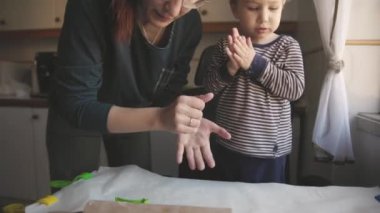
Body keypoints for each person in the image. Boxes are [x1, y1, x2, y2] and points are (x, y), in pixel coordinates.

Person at [46, 0, 231, 183]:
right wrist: (160, 118)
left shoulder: (189, 24)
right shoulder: (90, 6)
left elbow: (167, 91)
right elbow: (78, 105)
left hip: (135, 114)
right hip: (76, 115)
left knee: (134, 191)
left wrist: (185, 119)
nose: (174, 10)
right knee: (74, 196)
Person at [200, 0, 305, 183]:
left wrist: (254, 63)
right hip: (228, 146)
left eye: (273, 8)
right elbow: (209, 88)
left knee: (264, 204)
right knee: (230, 201)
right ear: (235, 9)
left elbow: (295, 89)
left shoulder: (288, 46)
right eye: (253, 8)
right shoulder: (226, 44)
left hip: (268, 153)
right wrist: (229, 69)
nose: (264, 18)